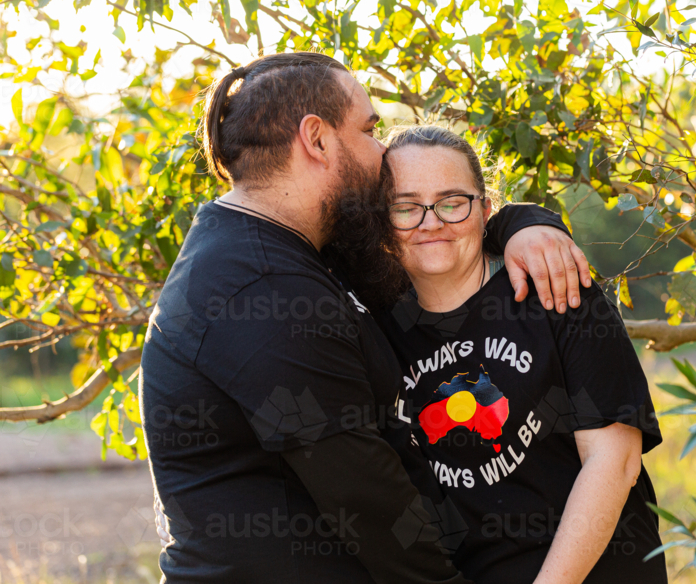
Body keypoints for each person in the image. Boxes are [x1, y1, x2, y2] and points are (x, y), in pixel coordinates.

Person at [140, 52, 591, 583]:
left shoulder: (285, 253)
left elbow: (436, 233)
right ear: (317, 139)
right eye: (371, 129)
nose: (383, 153)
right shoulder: (260, 289)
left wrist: (522, 223)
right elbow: (371, 502)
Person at [376, 125, 668, 584]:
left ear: (486, 209)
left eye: (453, 202)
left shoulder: (556, 288)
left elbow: (616, 460)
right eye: (405, 207)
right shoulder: (375, 327)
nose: (431, 222)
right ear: (381, 219)